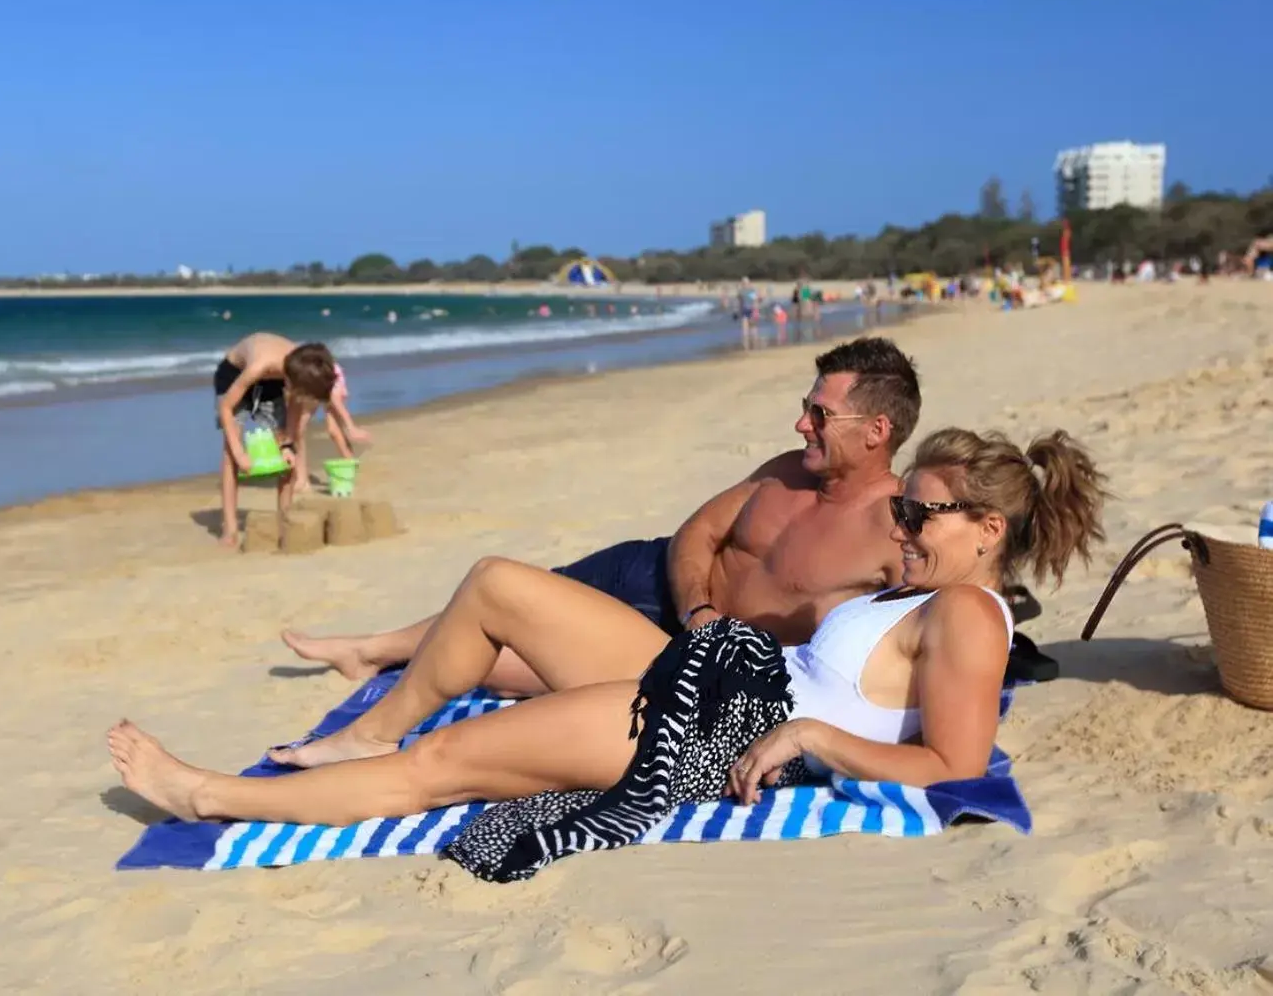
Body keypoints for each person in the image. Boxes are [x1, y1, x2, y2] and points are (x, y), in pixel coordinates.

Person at [107, 427, 1106, 881]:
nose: (896, 520)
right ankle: (365, 721)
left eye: (915, 510)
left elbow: (957, 766)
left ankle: (210, 797)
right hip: (724, 679)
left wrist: (811, 732)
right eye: (899, 503)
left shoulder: (971, 616)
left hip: (736, 729)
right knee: (500, 580)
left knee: (451, 764)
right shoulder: (922, 585)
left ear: (980, 527)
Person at [282, 337, 921, 696]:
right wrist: (698, 605)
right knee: (510, 594)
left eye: (819, 415)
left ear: (876, 430)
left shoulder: (894, 536)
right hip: (658, 570)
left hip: (689, 652)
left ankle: (386, 660)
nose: (800, 423)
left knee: (517, 657)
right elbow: (699, 530)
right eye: (804, 406)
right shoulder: (786, 467)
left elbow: (925, 630)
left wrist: (709, 639)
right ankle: (372, 647)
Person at [213, 333, 339, 548]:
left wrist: (287, 446)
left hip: (274, 380)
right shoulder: (261, 365)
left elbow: (293, 416)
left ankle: (285, 519)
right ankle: (230, 527)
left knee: (287, 455)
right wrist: (239, 451)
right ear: (292, 383)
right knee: (230, 454)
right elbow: (225, 407)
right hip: (236, 374)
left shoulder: (303, 370)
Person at [291, 360, 371, 496]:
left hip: (332, 380)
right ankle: (302, 479)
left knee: (334, 431)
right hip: (312, 381)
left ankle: (349, 468)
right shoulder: (301, 376)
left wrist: (351, 427)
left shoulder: (330, 383)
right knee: (298, 430)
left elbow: (336, 401)